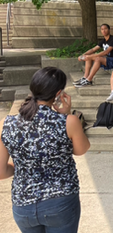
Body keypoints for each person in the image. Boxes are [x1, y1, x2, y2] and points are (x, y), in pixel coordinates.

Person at [0, 67, 90, 233]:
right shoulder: (68, 121)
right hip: (60, 202)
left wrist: (22, 164)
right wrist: (67, 114)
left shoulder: (8, 122)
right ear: (58, 93)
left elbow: (1, 171)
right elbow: (81, 149)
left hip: (23, 205)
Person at [73, 23, 113, 88]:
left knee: (96, 58)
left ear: (109, 30)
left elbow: (106, 52)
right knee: (89, 57)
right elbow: (93, 49)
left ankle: (89, 80)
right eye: (102, 29)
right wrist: (84, 55)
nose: (103, 30)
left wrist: (90, 56)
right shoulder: (103, 41)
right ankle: (85, 77)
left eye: (105, 29)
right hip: (107, 61)